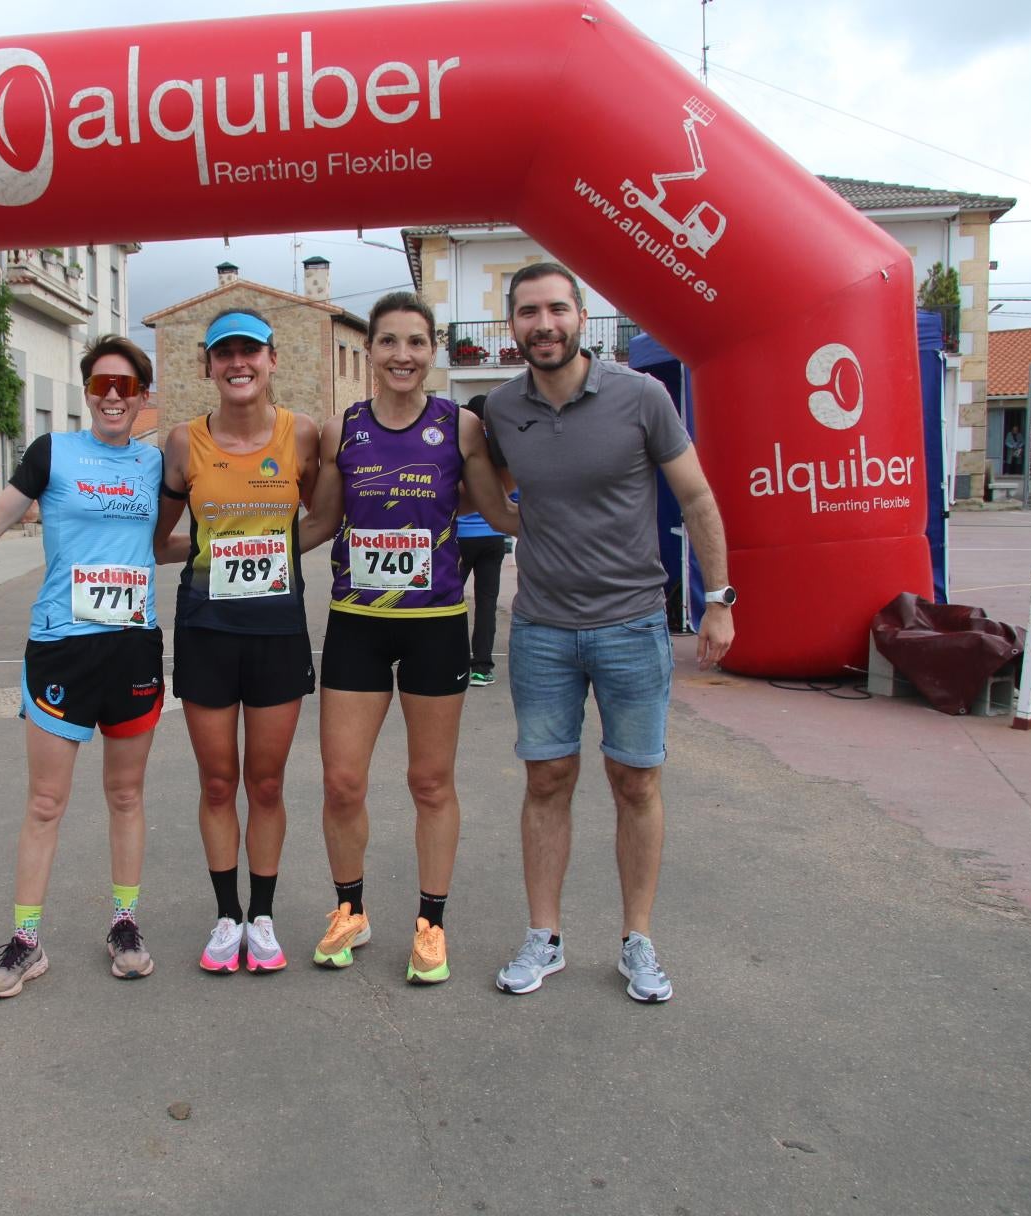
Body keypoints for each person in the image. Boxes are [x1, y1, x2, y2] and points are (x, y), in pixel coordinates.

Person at [484, 262, 733, 1004]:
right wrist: (517, 525)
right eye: (528, 312)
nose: (544, 323)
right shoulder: (501, 408)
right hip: (542, 629)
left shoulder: (642, 396)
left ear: (582, 316)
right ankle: (544, 937)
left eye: (556, 308)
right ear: (513, 326)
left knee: (636, 781)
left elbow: (696, 497)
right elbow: (490, 487)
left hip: (631, 624)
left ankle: (638, 941)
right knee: (546, 779)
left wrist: (717, 600)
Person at [298, 291, 517, 985]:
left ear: (433, 351)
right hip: (358, 624)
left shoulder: (462, 428)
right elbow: (321, 523)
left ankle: (430, 923)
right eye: (388, 342)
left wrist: (577, 503)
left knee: (429, 781)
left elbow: (501, 515)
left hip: (435, 626)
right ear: (370, 352)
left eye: (415, 342)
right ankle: (350, 910)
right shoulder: (343, 430)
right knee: (341, 782)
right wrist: (233, 544)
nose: (402, 355)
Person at [0, 336, 166, 999]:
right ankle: (25, 940)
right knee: (46, 802)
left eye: (125, 386)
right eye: (101, 382)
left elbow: (173, 542)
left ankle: (124, 925)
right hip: (61, 649)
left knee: (126, 796)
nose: (111, 394)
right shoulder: (53, 454)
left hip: (131, 648)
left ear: (141, 399)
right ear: (86, 390)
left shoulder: (155, 466)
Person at [154, 309, 319, 974]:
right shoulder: (180, 442)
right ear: (207, 366)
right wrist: (209, 556)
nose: (238, 363)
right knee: (219, 781)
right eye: (225, 354)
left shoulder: (301, 434)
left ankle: (265, 917)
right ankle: (228, 917)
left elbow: (325, 515)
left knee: (269, 782)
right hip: (206, 633)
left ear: (272, 360)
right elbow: (156, 536)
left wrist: (275, 552)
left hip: (279, 631)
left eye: (250, 350)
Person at [457, 394, 511, 688]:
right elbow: (512, 495)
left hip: (461, 538)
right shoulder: (497, 448)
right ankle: (481, 666)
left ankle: (452, 660)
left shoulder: (462, 443)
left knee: (450, 601)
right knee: (486, 602)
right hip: (492, 536)